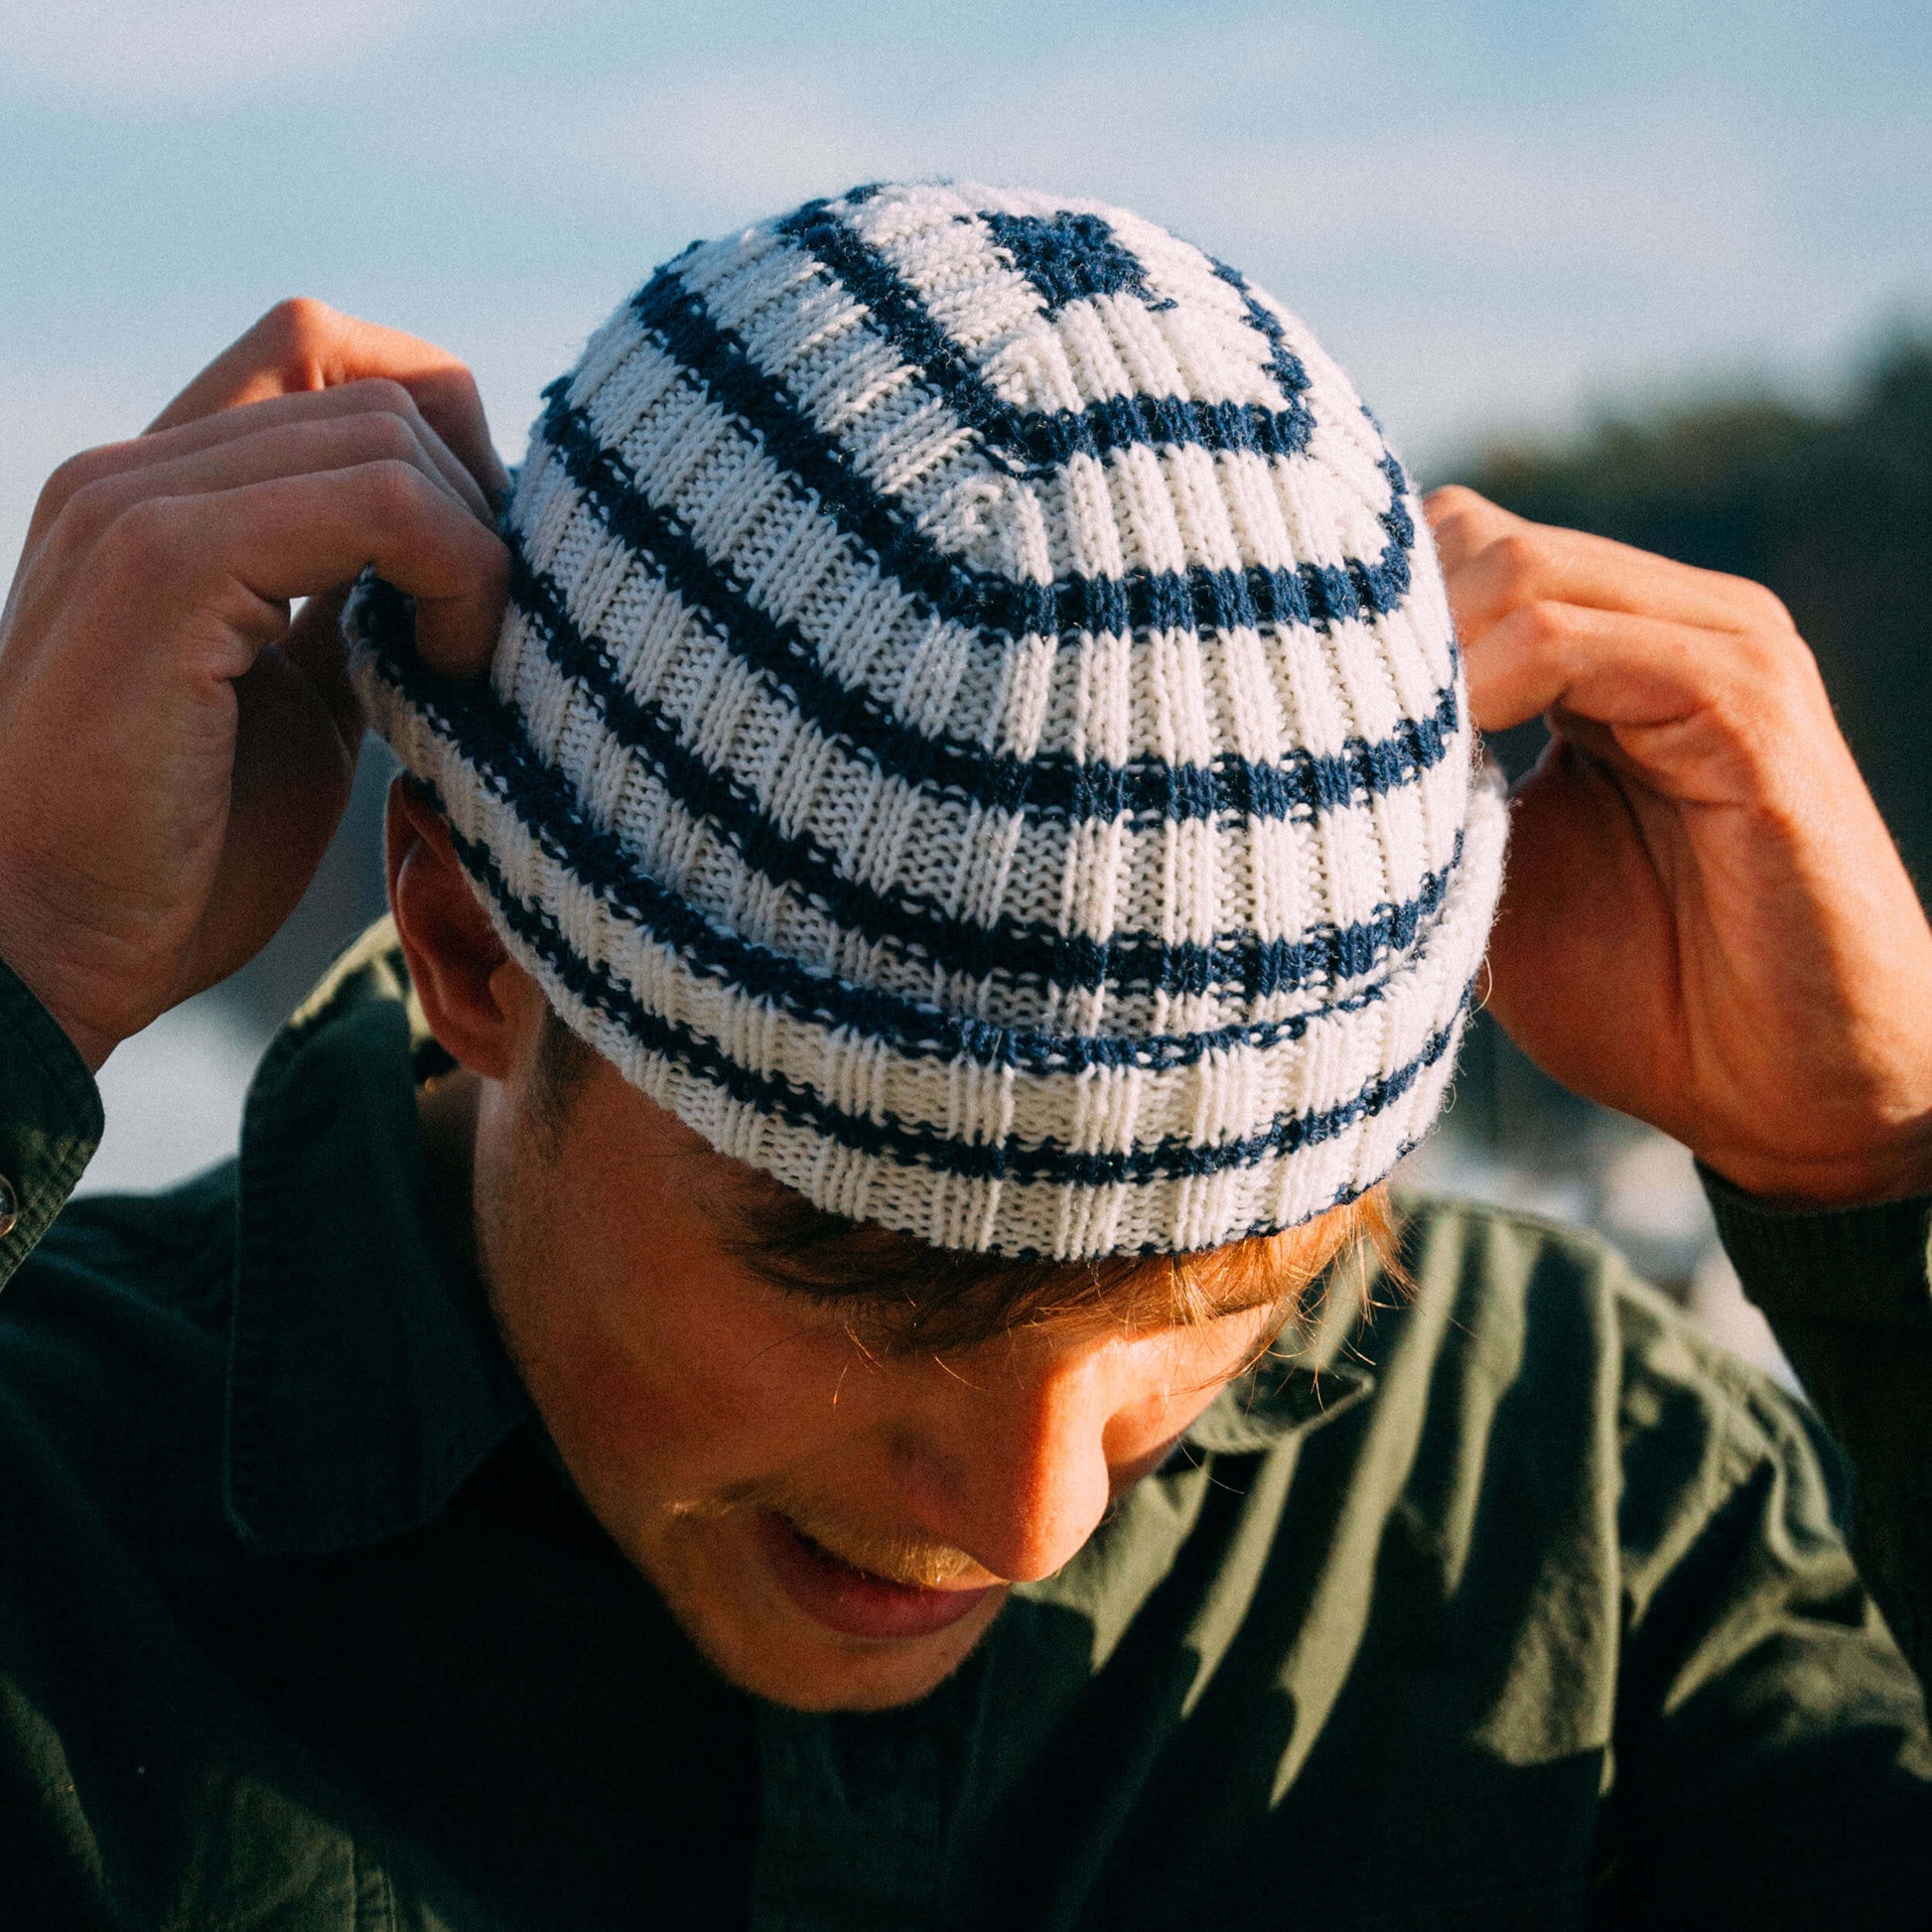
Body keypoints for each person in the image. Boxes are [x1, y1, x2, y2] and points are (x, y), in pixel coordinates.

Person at [1, 181, 1929, 1930]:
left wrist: (1878, 1181)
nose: (1034, 1514)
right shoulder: (56, 1506)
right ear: (467, 949)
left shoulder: (1586, 1488)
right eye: (884, 1280)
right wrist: (26, 964)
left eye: (1230, 1279)